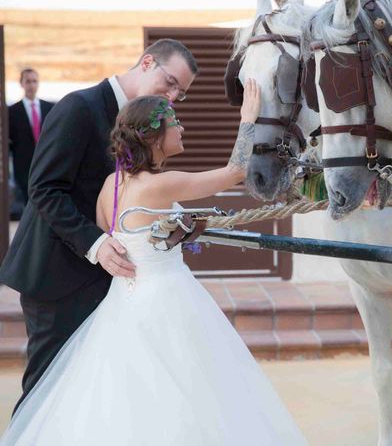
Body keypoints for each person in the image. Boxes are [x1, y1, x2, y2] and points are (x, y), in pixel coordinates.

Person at [0, 83, 307, 445]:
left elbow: (118, 238)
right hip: (166, 298)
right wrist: (247, 119)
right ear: (155, 137)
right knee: (191, 387)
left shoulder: (111, 185)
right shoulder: (158, 185)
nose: (182, 128)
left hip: (123, 302)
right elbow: (236, 171)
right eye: (174, 121)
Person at [0, 39, 198, 413]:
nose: (172, 96)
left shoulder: (144, 120)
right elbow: (44, 189)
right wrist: (96, 244)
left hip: (108, 283)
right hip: (54, 277)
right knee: (47, 393)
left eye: (180, 93)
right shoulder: (79, 107)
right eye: (170, 82)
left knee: (89, 398)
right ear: (147, 62)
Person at [8, 68, 55, 215]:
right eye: (27, 81)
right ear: (21, 84)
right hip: (23, 166)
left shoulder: (49, 108)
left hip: (46, 163)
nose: (31, 85)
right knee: (28, 204)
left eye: (34, 81)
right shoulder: (12, 111)